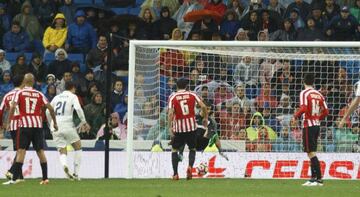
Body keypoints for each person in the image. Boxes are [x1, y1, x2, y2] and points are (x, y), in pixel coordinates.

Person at [3, 73, 58, 185]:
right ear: (33, 82)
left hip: (24, 125)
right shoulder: (39, 93)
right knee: (40, 151)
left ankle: (14, 179)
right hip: (37, 126)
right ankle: (45, 178)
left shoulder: (19, 92)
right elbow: (51, 109)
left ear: (24, 81)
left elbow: (13, 106)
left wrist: (8, 122)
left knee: (21, 151)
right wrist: (55, 123)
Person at [48, 81, 90, 180]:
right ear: (73, 88)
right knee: (78, 147)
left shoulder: (57, 97)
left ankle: (64, 165)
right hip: (67, 124)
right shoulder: (73, 96)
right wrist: (84, 121)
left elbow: (47, 111)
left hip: (55, 125)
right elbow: (78, 109)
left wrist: (52, 123)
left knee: (62, 149)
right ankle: (75, 174)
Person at [292, 73, 329, 186]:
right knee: (311, 152)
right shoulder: (319, 94)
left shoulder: (304, 93)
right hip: (316, 125)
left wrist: (295, 116)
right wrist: (317, 118)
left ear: (304, 82)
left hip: (308, 125)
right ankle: (313, 178)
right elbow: (326, 111)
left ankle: (318, 179)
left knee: (311, 152)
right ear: (313, 82)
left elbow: (303, 108)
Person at [168, 78, 208, 180]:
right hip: (191, 127)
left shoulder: (173, 97)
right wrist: (205, 118)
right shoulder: (192, 94)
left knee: (174, 149)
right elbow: (203, 106)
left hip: (179, 128)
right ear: (186, 86)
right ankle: (190, 167)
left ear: (177, 86)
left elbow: (170, 114)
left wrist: (170, 128)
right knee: (192, 148)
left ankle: (176, 174)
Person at [0, 75, 24, 183]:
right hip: (23, 124)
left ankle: (19, 176)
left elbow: (1, 110)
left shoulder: (7, 95)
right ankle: (12, 172)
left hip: (12, 125)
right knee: (21, 150)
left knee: (18, 149)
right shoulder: (24, 94)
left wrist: (1, 125)